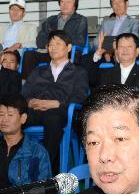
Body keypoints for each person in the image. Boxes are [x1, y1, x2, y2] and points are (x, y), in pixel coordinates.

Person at [22, 29, 89, 172]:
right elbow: (24, 92)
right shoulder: (39, 70)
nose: (53, 47)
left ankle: (44, 170)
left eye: (58, 43)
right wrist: (30, 101)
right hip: (36, 110)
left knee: (53, 117)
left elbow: (81, 96)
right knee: (12, 118)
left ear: (69, 47)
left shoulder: (79, 72)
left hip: (62, 112)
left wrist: (57, 103)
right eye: (51, 44)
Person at [21, 0, 88, 78]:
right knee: (28, 55)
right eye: (62, 2)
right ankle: (26, 85)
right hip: (49, 53)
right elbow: (39, 41)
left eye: (68, 2)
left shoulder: (80, 20)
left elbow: (80, 41)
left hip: (67, 54)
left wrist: (59, 44)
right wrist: (49, 45)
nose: (65, 5)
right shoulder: (50, 20)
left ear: (75, 4)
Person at [87, 33, 139, 98]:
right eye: (121, 47)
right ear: (116, 51)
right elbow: (91, 79)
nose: (125, 50)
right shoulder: (106, 73)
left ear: (137, 51)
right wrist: (98, 53)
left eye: (129, 47)